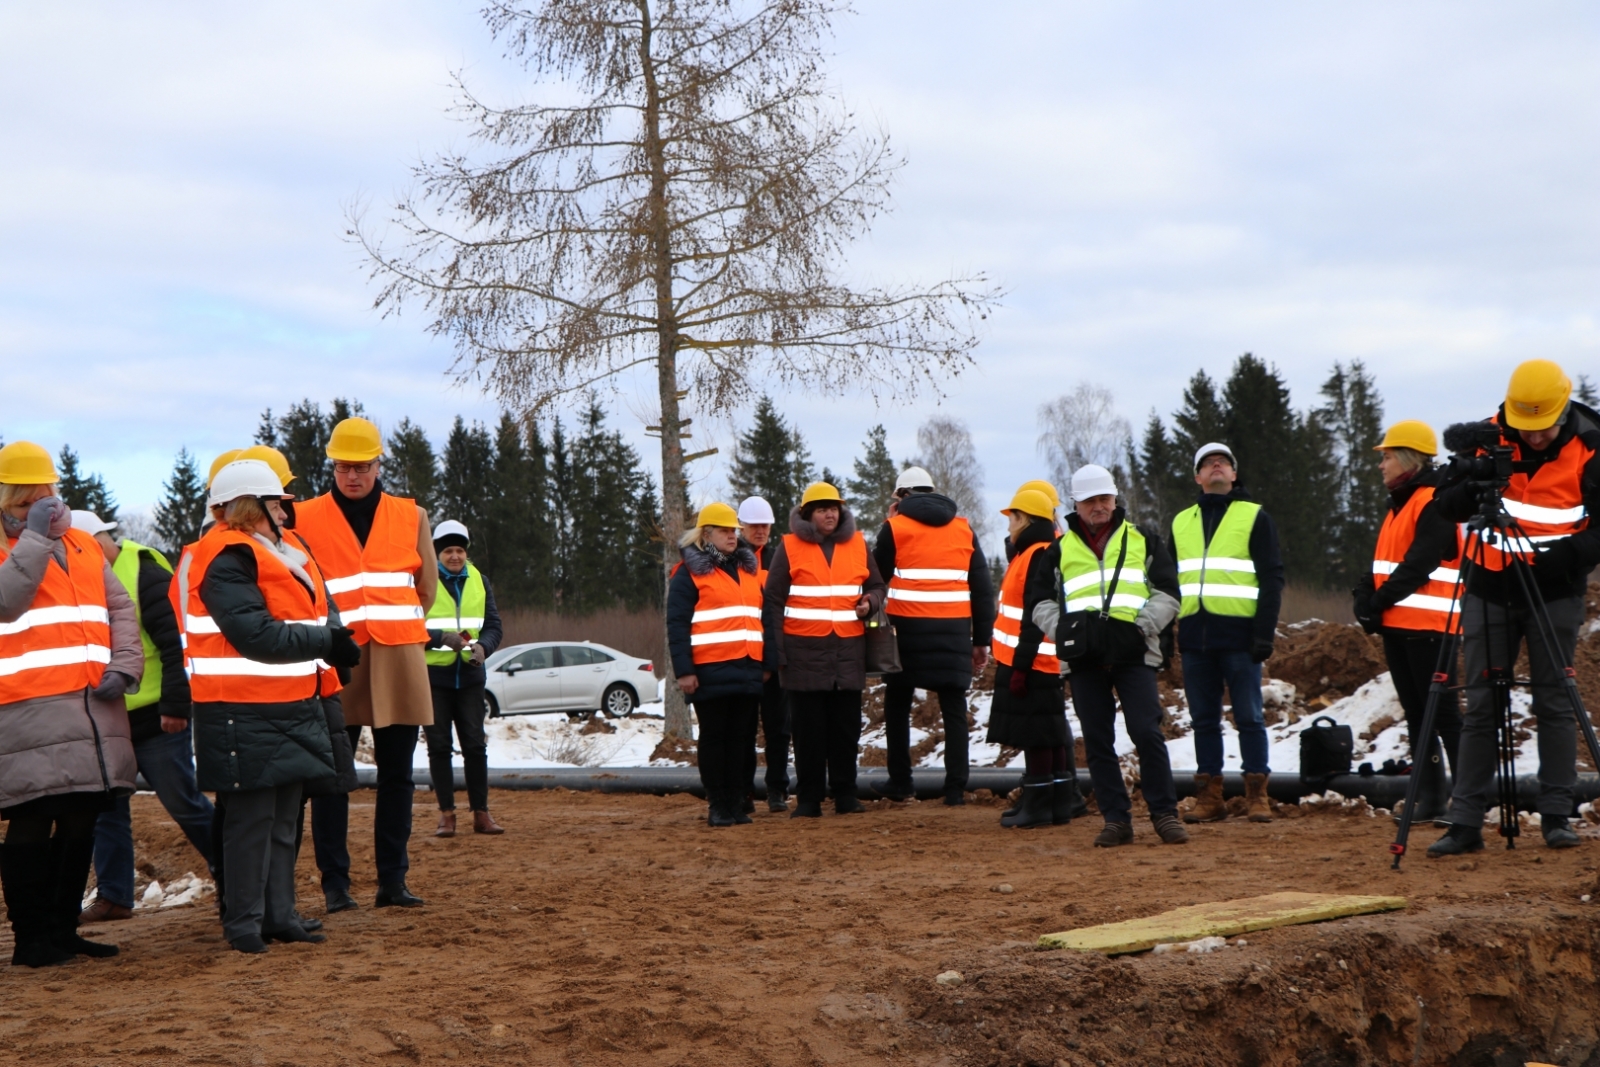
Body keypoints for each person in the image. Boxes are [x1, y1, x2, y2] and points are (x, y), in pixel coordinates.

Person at [183, 459, 357, 953]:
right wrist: (327, 640)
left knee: (282, 819)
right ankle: (243, 923)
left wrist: (327, 644)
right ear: (248, 505)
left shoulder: (278, 551)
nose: (286, 508)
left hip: (288, 701)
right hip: (240, 708)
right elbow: (253, 633)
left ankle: (278, 916)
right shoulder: (225, 556)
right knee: (251, 822)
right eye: (277, 500)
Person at [1427, 360, 1600, 855]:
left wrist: (1568, 556)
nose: (1536, 438)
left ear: (1563, 409)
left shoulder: (1592, 446)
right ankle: (1465, 822)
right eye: (1527, 428)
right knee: (1482, 704)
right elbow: (1445, 505)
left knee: (1554, 701)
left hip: (1556, 591)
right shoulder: (1487, 436)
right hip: (1488, 588)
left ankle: (1556, 815)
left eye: (1544, 427)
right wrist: (1466, 491)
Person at [0, 441, 140, 967]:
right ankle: (31, 939)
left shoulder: (82, 544)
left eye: (48, 499)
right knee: (32, 820)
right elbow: (5, 602)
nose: (41, 509)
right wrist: (34, 538)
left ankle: (62, 930)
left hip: (90, 708)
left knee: (82, 817)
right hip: (24, 711)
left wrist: (126, 663)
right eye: (25, 503)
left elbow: (120, 607)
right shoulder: (21, 543)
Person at [293, 417, 438, 908]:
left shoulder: (411, 515)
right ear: (331, 466)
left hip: (398, 656)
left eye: (361, 467)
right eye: (342, 467)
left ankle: (392, 882)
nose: (352, 476)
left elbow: (426, 590)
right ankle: (336, 885)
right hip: (336, 657)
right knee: (332, 778)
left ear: (379, 465)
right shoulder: (305, 518)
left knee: (398, 774)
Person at [70, 510, 215, 926]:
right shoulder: (79, 577)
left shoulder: (146, 573)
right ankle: (115, 896)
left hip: (155, 718)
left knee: (183, 802)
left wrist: (174, 705)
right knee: (107, 811)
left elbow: (176, 645)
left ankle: (237, 877)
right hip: (106, 719)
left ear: (98, 541)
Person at [1030, 465, 1187, 846]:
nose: (1099, 506)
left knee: (1147, 733)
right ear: (1076, 505)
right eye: (1090, 501)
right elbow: (1037, 602)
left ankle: (1165, 814)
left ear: (1115, 500)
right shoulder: (1058, 550)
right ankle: (1116, 820)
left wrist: (1142, 626)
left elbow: (1168, 593)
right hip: (1083, 659)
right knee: (1098, 741)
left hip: (1135, 653)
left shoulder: (1143, 539)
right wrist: (1064, 632)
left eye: (1104, 499)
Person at [1351, 421, 1464, 826]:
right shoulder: (1399, 504)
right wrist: (1364, 595)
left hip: (1432, 626)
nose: (1381, 464)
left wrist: (1377, 602)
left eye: (1386, 456)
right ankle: (1431, 799)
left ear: (1408, 457)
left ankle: (1467, 805)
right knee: (1419, 715)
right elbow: (1383, 563)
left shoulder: (1434, 500)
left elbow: (1421, 562)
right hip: (1400, 626)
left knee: (1444, 715)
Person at [1171, 442, 1285, 824]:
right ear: (1198, 477)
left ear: (1234, 475)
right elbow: (1170, 583)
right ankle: (1211, 797)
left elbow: (1272, 578)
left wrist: (1263, 633)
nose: (1216, 465)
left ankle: (1257, 795)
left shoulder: (1255, 517)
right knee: (1203, 720)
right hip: (1195, 637)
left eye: (1223, 462)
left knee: (1250, 717)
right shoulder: (1181, 521)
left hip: (1239, 636)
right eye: (1207, 463)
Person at [762, 483, 887, 817]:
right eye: (821, 509)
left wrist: (869, 602)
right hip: (803, 654)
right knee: (807, 732)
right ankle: (809, 799)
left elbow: (876, 586)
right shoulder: (789, 547)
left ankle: (846, 794)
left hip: (847, 653)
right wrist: (778, 653)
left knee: (846, 730)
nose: (830, 513)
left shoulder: (858, 543)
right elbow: (773, 600)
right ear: (807, 514)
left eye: (834, 508)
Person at [873, 466, 995, 805]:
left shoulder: (894, 528)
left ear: (902, 497)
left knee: (897, 703)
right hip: (954, 633)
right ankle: (955, 789)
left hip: (907, 632)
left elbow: (874, 580)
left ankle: (901, 783)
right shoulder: (963, 529)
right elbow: (982, 589)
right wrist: (981, 641)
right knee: (954, 706)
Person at [985, 487, 1086, 828]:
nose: (1009, 524)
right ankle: (1054, 802)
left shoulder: (1039, 554)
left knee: (1038, 733)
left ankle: (1041, 803)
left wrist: (1021, 667)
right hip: (1034, 658)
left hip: (1033, 660)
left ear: (1025, 519)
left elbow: (1033, 616)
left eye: (1013, 517)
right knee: (1048, 731)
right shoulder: (1031, 552)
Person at [668, 503, 766, 826]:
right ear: (705, 534)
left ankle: (736, 803)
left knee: (741, 739)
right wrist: (684, 671)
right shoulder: (688, 574)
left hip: (748, 667)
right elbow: (677, 624)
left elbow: (759, 618)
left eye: (734, 530)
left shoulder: (748, 571)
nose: (732, 536)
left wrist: (767, 663)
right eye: (725, 530)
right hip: (709, 670)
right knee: (715, 737)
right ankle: (718, 805)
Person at [423, 519, 505, 837]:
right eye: (448, 551)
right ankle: (447, 814)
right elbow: (410, 627)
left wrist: (484, 647)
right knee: (439, 747)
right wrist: (441, 637)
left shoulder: (480, 581)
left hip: (470, 677)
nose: (454, 556)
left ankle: (481, 813)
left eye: (459, 550)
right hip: (435, 679)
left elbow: (494, 625)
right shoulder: (424, 582)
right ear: (437, 554)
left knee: (474, 746)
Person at [737, 496, 791, 812]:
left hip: (776, 656)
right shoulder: (731, 559)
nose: (760, 530)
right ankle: (744, 792)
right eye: (755, 525)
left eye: (765, 525)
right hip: (744, 656)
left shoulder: (779, 559)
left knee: (779, 729)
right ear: (742, 526)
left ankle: (777, 791)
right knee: (744, 729)